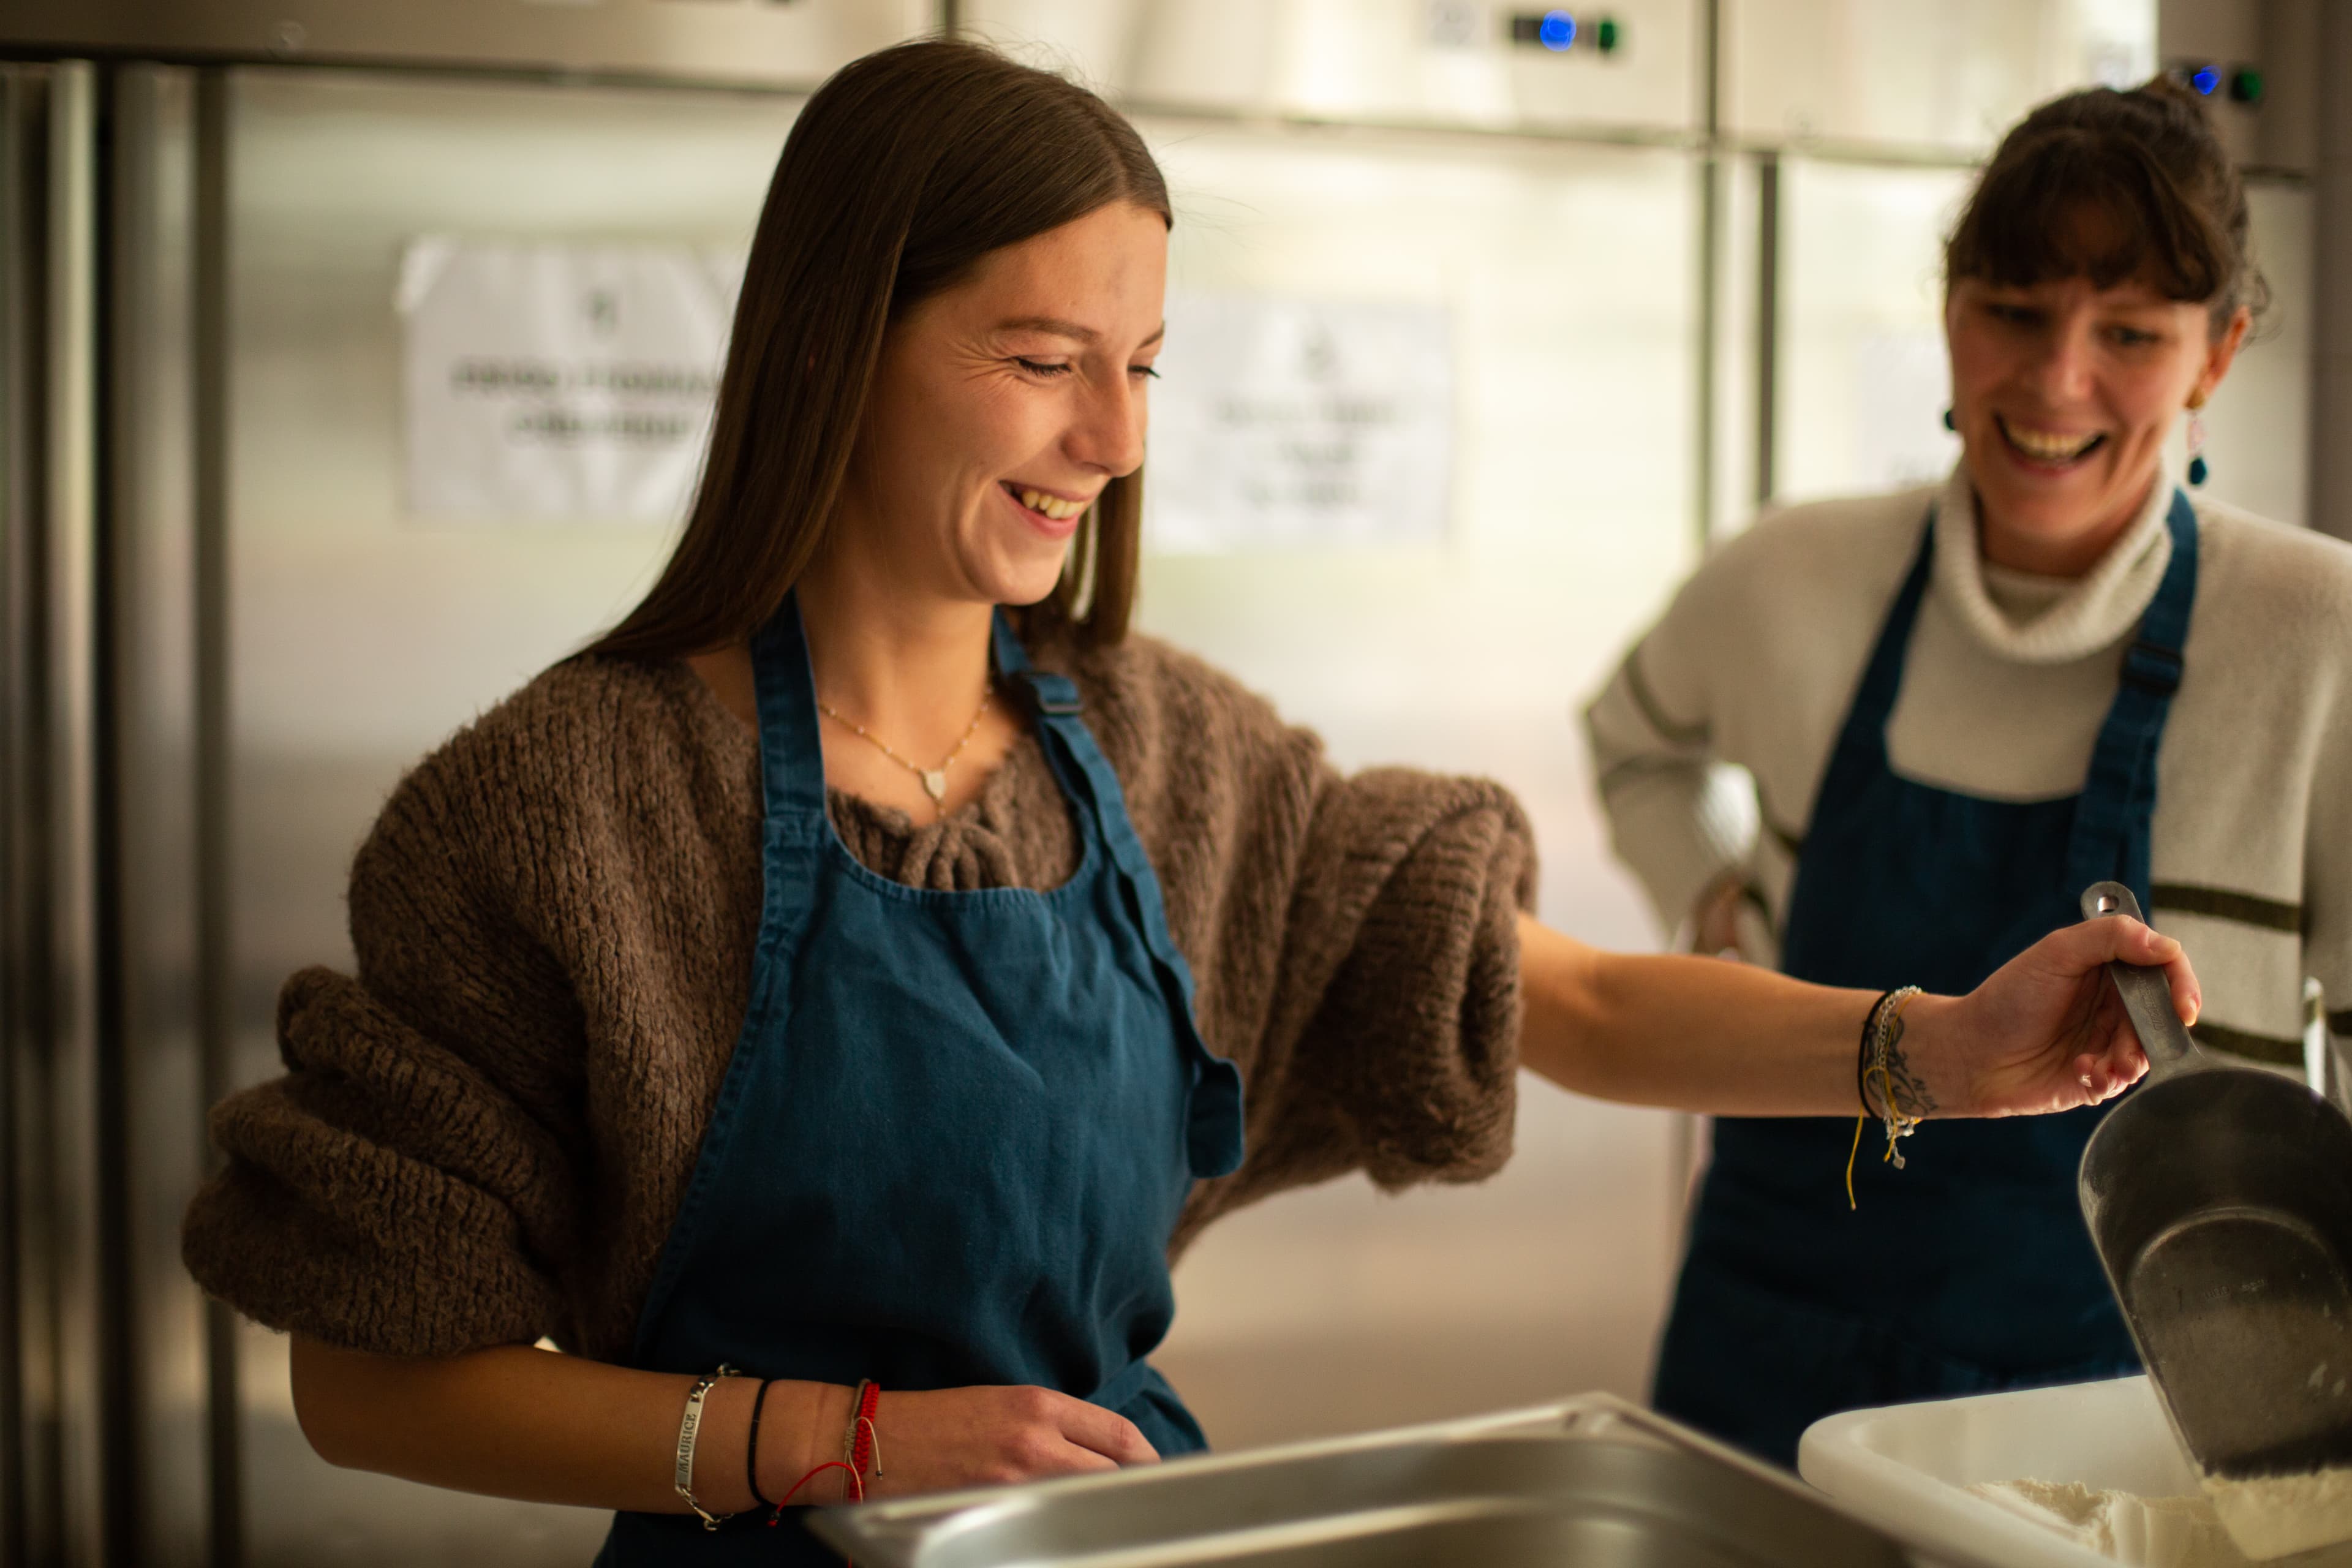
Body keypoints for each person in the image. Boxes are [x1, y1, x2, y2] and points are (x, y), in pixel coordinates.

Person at [183, 42, 2194, 1565]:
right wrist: (831, 1444)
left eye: (1143, 364)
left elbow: (1562, 999)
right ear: (836, 346)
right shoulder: (560, 812)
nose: (1115, 437)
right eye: (1044, 357)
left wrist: (1938, 1049)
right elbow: (371, 1379)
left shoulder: (1168, 756)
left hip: (1107, 1538)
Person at [1586, 75, 2352, 1467]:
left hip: (2126, 1413)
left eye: (2130, 332)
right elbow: (1631, 737)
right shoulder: (1790, 576)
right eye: (2013, 311)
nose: (2057, 381)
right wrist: (1716, 899)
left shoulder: (2318, 633)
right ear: (1950, 315)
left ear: (2219, 354)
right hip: (1768, 1361)